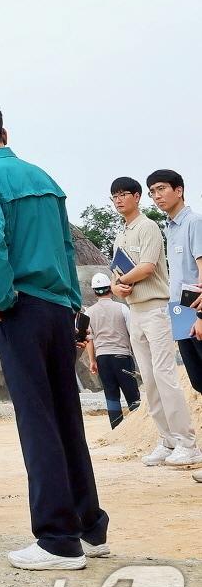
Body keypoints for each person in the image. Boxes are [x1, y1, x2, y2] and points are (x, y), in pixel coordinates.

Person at [0, 105, 109, 570]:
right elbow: (65, 246)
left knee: (37, 420)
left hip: (22, 305)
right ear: (5, 133)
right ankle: (89, 527)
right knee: (66, 416)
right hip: (59, 306)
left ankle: (57, 539)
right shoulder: (44, 177)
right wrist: (71, 306)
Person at [109, 176, 201, 467]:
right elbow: (115, 275)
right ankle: (168, 440)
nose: (119, 200)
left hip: (161, 308)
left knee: (166, 376)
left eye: (125, 194)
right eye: (114, 196)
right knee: (149, 380)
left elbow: (148, 268)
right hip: (146, 309)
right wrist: (116, 287)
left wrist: (198, 314)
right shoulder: (127, 233)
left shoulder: (151, 227)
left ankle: (187, 443)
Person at [146, 168, 202, 396]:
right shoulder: (170, 227)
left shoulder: (194, 222)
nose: (157, 196)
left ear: (178, 190)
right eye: (152, 192)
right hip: (179, 309)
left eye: (161, 189)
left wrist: (199, 316)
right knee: (198, 379)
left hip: (194, 305)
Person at [83, 271, 140, 427]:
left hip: (102, 359)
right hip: (122, 356)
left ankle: (116, 427)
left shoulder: (88, 313)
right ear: (110, 287)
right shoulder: (122, 308)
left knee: (111, 395)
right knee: (132, 394)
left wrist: (93, 361)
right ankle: (136, 428)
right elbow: (133, 334)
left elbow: (89, 339)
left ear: (94, 291)